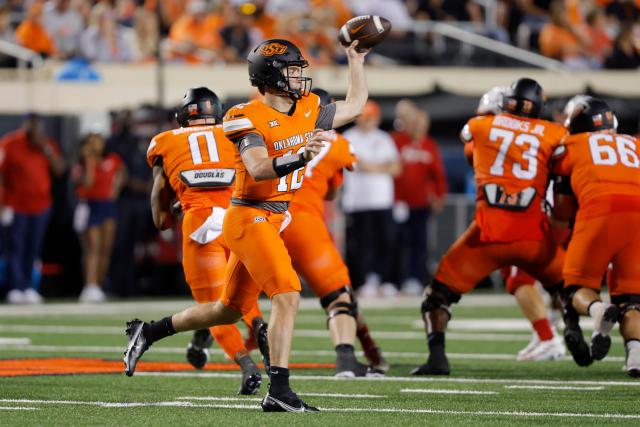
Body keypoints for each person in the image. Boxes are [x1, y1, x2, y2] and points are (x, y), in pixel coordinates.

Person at [123, 38, 369, 412]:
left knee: (228, 310)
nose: (300, 76)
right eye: (292, 69)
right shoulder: (243, 115)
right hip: (248, 215)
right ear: (270, 77)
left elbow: (355, 106)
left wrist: (355, 60)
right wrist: (298, 157)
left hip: (273, 217)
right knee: (287, 294)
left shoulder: (307, 107)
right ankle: (280, 390)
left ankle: (149, 331)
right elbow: (257, 167)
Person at [412, 78, 568, 375]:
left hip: (496, 230)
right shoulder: (553, 133)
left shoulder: (483, 127)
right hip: (542, 224)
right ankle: (570, 336)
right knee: (571, 288)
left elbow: (473, 141)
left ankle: (548, 337)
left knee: (441, 294)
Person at [145, 86, 265, 394]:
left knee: (214, 304)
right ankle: (257, 325)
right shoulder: (236, 131)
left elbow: (160, 217)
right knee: (239, 295)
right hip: (238, 218)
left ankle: (246, 365)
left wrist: (173, 208)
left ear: (182, 117)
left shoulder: (165, 141)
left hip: (201, 225)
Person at [281, 87, 388, 376]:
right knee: (338, 295)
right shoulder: (338, 143)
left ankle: (229, 347)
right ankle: (346, 358)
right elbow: (331, 192)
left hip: (264, 219)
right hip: (304, 225)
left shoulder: (276, 130)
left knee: (236, 299)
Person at [552, 96, 640, 376]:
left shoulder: (570, 145)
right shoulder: (635, 144)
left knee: (575, 288)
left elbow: (563, 211)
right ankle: (636, 355)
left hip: (599, 212)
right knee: (632, 298)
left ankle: (597, 310)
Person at [0, 114, 65, 304]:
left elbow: (60, 170)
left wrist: (46, 149)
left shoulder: (47, 144)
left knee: (33, 248)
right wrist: (2, 204)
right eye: (31, 125)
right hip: (16, 205)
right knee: (15, 248)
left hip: (41, 206)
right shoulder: (10, 143)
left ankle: (29, 286)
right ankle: (16, 287)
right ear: (25, 125)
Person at [342, 100, 401, 298]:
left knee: (386, 242)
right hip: (358, 202)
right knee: (361, 244)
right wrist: (380, 167)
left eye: (370, 118)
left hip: (382, 200)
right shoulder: (349, 138)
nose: (367, 122)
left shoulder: (384, 138)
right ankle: (364, 281)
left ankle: (385, 281)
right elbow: (357, 164)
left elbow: (396, 168)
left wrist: (372, 167)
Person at [391, 100, 447, 296]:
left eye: (422, 124)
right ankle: (395, 280)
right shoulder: (397, 141)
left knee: (419, 243)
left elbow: (438, 175)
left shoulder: (430, 145)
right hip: (398, 202)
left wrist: (439, 196)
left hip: (420, 204)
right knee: (397, 243)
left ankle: (415, 279)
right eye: (416, 123)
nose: (419, 127)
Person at [71, 127, 125, 303]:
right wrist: (89, 161)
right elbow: (87, 182)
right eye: (92, 139)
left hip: (107, 206)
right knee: (92, 247)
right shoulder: (82, 161)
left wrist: (115, 188)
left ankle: (98, 286)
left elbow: (122, 171)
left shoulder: (112, 159)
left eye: (98, 139)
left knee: (105, 248)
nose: (96, 143)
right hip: (89, 205)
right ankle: (89, 285)